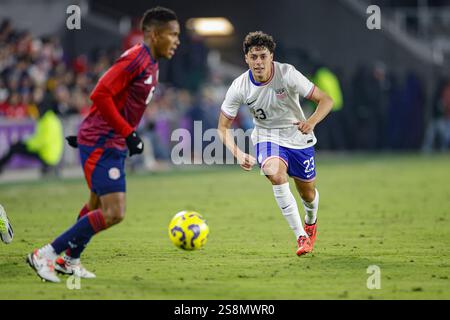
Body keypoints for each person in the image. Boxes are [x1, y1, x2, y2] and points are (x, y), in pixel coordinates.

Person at [26, 7, 180, 282]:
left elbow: (117, 100)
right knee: (114, 212)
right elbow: (100, 93)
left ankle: (69, 259)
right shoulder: (136, 58)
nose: (177, 40)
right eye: (173, 34)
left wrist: (98, 131)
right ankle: (45, 254)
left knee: (95, 205)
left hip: (106, 139)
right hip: (104, 140)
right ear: (155, 35)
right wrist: (125, 133)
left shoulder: (152, 64)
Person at [217, 31, 333, 256]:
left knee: (308, 194)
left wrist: (311, 122)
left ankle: (311, 221)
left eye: (263, 56)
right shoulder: (239, 86)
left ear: (271, 56)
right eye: (254, 57)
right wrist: (238, 153)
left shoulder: (287, 74)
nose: (258, 62)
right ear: (246, 59)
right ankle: (301, 236)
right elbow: (222, 127)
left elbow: (326, 100)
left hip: (298, 138)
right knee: (275, 173)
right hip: (267, 137)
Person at [0, 88, 63, 176]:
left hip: (47, 155)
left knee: (15, 147)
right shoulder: (52, 119)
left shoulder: (47, 121)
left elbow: (41, 141)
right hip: (52, 154)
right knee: (17, 146)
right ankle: (50, 167)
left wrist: (26, 143)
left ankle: (49, 166)